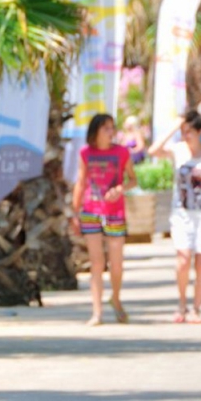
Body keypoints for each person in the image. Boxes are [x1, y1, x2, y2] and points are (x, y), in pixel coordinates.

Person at [151, 109, 201, 324]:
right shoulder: (178, 150)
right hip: (181, 214)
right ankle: (181, 304)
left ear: (200, 131)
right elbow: (154, 150)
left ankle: (196, 308)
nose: (186, 136)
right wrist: (176, 125)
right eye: (184, 132)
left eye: (190, 132)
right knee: (183, 259)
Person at [71, 113, 137, 326]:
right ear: (96, 131)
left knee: (116, 264)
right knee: (97, 263)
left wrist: (120, 189)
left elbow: (133, 180)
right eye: (106, 128)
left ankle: (115, 298)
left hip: (115, 213)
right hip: (91, 210)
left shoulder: (121, 152)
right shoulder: (86, 153)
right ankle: (97, 312)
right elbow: (80, 182)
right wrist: (75, 212)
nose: (110, 132)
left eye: (112, 128)